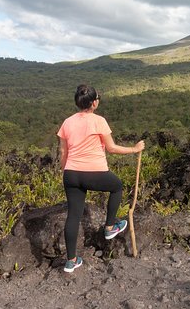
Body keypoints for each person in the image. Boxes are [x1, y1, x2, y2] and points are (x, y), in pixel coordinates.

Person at [57, 84, 145, 273]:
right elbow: (111, 148)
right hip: (94, 172)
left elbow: (63, 151)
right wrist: (135, 149)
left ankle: (71, 261)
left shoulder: (67, 122)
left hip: (71, 174)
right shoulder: (99, 121)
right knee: (117, 186)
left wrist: (66, 171)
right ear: (94, 103)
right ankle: (110, 226)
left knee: (73, 215)